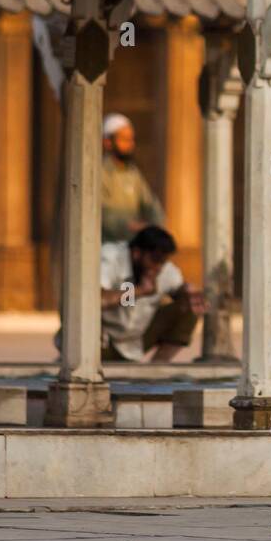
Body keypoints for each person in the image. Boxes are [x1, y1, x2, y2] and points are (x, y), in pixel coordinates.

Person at [100, 225, 206, 363]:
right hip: (104, 342)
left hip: (135, 342)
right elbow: (97, 300)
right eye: (155, 260)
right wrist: (138, 291)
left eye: (163, 262)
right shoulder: (112, 257)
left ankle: (158, 367)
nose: (158, 268)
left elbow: (181, 293)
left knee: (188, 307)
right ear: (137, 253)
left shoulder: (163, 269)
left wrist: (190, 295)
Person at [101, 113, 165, 244]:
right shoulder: (99, 172)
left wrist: (157, 226)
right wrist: (132, 227)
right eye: (124, 139)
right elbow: (104, 216)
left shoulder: (133, 172)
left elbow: (150, 204)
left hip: (132, 246)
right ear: (107, 142)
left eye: (131, 139)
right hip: (106, 247)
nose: (130, 144)